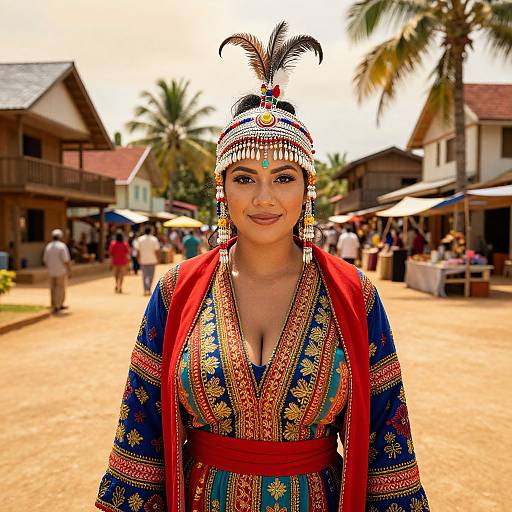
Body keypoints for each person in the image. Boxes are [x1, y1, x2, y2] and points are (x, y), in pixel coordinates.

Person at [95, 22, 428, 512]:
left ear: (307, 188)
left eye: (285, 177)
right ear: (222, 189)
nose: (265, 198)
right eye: (246, 177)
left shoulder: (355, 294)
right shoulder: (176, 291)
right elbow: (140, 434)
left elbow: (387, 442)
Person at [43, 229, 71, 313]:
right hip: (60, 271)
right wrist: (69, 270)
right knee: (60, 288)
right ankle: (59, 305)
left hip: (51, 271)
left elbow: (45, 259)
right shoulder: (62, 246)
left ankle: (54, 304)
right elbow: (66, 260)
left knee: (53, 288)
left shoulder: (48, 246)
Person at [133, 226, 160, 295]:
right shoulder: (154, 239)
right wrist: (158, 258)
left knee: (144, 276)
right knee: (151, 276)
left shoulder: (140, 239)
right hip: (152, 260)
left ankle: (145, 289)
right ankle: (149, 288)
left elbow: (138, 250)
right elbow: (156, 250)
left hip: (143, 260)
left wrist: (138, 258)